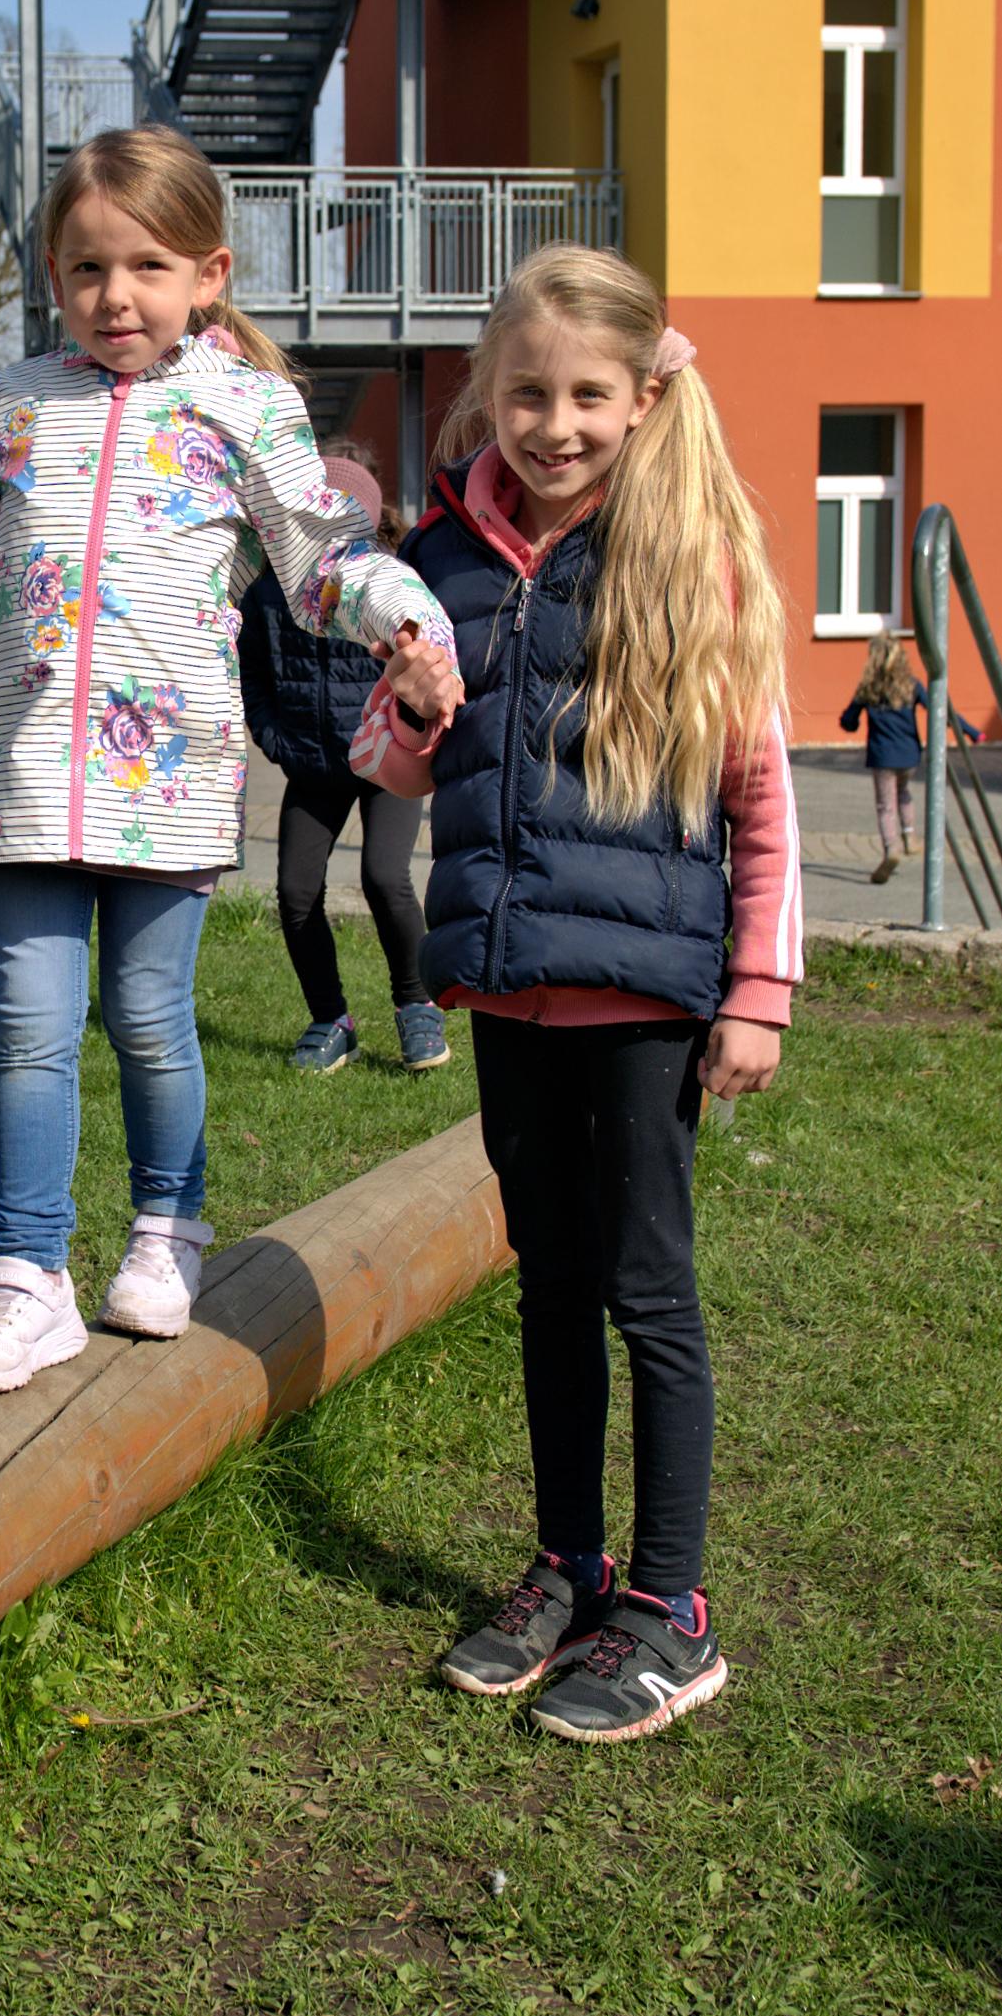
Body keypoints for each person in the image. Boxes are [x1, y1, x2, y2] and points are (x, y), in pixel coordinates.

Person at [0, 125, 460, 1396]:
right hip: (22, 774)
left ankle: (168, 1227)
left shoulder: (249, 408)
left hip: (167, 782)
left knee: (148, 1017)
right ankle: (26, 1274)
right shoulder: (21, 402)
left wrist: (412, 628)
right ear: (54, 276)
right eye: (85, 268)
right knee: (28, 1025)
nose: (115, 295)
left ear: (209, 275)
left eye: (147, 266)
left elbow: (326, 564)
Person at [350, 243, 800, 1743]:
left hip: (647, 995)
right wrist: (413, 707)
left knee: (645, 1290)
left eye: (589, 395)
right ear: (487, 391)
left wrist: (758, 987)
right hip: (510, 988)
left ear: (639, 397)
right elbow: (400, 765)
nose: (554, 425)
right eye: (528, 394)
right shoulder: (445, 557)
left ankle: (670, 1606)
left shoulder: (684, 546)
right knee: (548, 1281)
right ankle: (568, 1565)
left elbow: (759, 790)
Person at [237, 438, 448, 1073]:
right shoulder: (268, 590)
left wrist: (410, 734)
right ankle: (331, 1020)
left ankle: (417, 1008)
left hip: (386, 763)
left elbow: (428, 666)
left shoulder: (390, 583)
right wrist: (276, 739)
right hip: (311, 762)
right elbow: (252, 676)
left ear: (366, 518)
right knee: (295, 892)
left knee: (385, 878)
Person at [838, 630, 981, 883]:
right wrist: (971, 732)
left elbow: (849, 721)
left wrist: (852, 723)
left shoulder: (868, 688)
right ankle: (909, 835)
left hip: (882, 758)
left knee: (885, 805)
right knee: (904, 793)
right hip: (909, 757)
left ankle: (891, 849)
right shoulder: (911, 685)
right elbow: (941, 710)